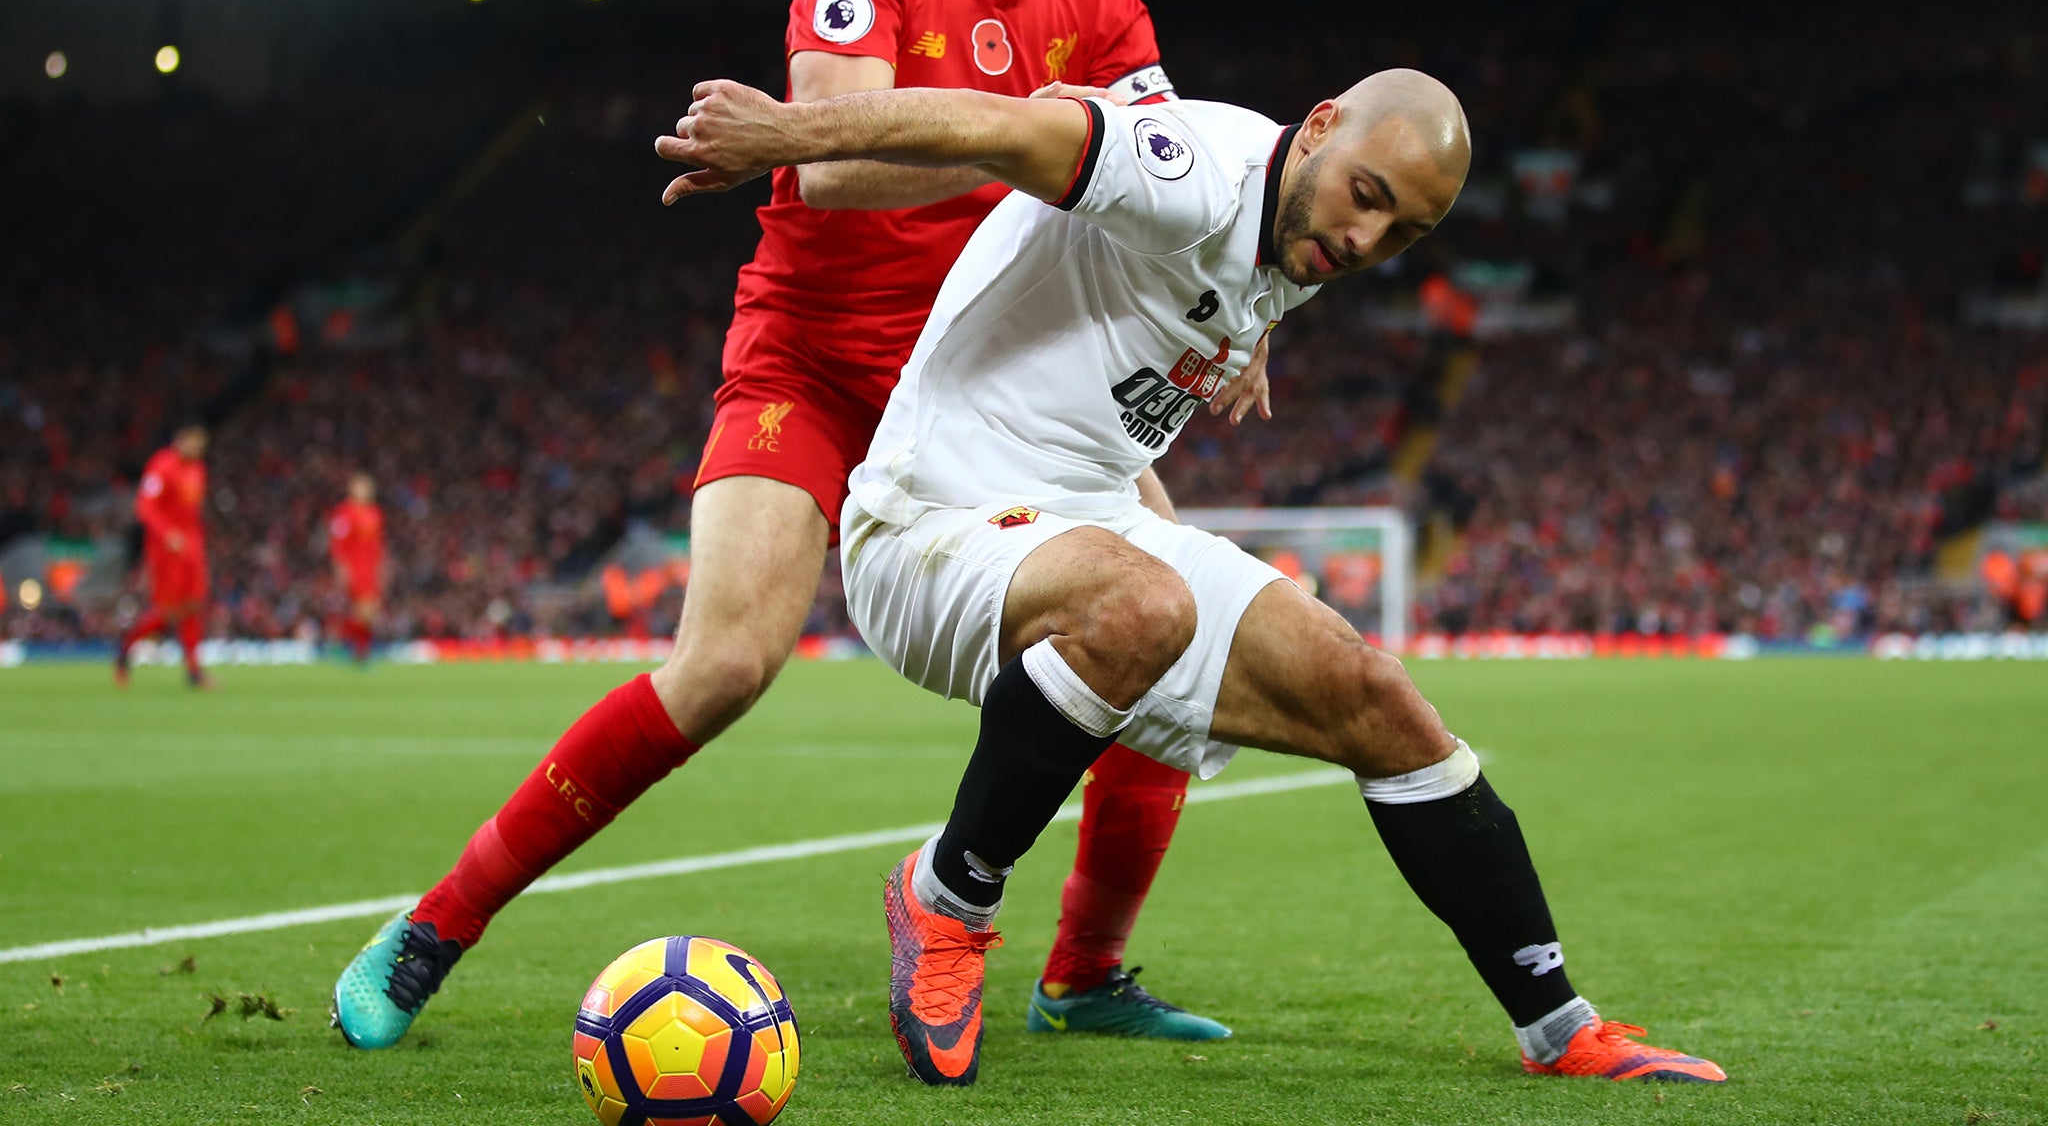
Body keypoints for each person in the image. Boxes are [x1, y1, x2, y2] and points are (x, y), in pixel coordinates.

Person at [331, 0, 1263, 1049]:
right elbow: (823, 164)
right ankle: (434, 929)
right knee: (722, 663)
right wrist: (1031, 140)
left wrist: (1233, 320)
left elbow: (1160, 192)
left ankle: (1084, 978)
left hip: (1007, 380)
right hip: (816, 359)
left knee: (1162, 632)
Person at [652, 68, 1729, 1089]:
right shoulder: (1187, 171)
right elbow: (1004, 126)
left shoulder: (1293, 240)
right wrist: (781, 139)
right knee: (1140, 604)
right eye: (1365, 197)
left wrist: (1246, 332)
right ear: (1314, 128)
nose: (1365, 240)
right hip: (927, 522)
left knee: (1376, 698)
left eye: (1403, 232)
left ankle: (1557, 1028)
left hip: (1088, 523)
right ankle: (946, 895)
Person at [115, 423, 212, 688]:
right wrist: (168, 534)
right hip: (165, 550)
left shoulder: (198, 469)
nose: (197, 448)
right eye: (193, 442)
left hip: (192, 548)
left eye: (201, 444)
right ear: (180, 439)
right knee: (168, 612)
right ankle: (125, 649)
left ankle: (194, 671)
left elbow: (192, 512)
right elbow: (145, 507)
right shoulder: (162, 466)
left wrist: (197, 542)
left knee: (194, 606)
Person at [328, 473, 387, 663]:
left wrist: (381, 568)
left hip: (371, 569)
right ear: (352, 489)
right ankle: (354, 648)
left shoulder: (375, 513)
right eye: (360, 487)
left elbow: (378, 545)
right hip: (355, 568)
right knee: (362, 611)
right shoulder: (344, 513)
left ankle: (355, 648)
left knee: (368, 613)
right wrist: (341, 569)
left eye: (367, 487)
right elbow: (338, 545)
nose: (365, 491)